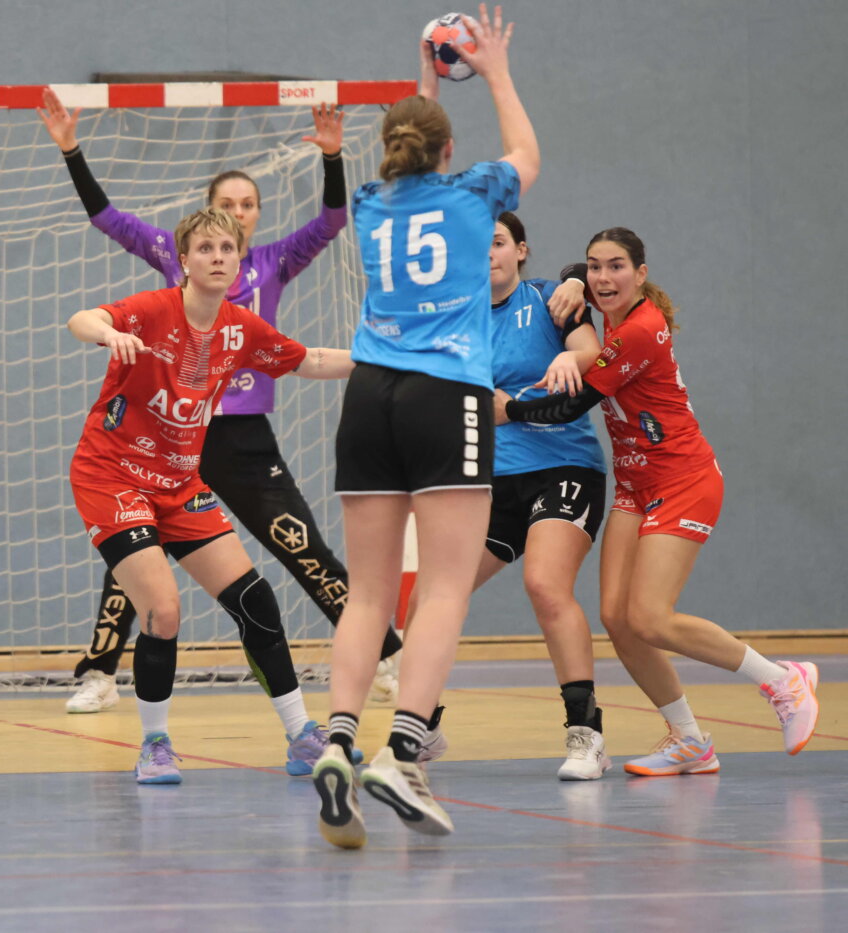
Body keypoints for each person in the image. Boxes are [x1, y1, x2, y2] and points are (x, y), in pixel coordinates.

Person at [38, 89, 404, 718]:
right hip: (162, 437)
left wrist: (333, 158)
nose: (234, 219)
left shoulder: (271, 263)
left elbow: (329, 230)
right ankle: (100, 672)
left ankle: (382, 654)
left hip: (240, 435)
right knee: (137, 558)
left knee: (296, 544)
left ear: (252, 223)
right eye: (224, 208)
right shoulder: (172, 260)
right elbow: (108, 220)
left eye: (246, 206)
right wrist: (71, 149)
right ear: (192, 240)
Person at [312, 4, 539, 847]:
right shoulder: (478, 195)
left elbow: (410, 139)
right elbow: (526, 153)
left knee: (368, 592)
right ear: (449, 152)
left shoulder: (370, 202)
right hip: (447, 397)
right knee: (443, 586)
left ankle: (337, 740)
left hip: (369, 396)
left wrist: (424, 77)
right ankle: (402, 752)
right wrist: (497, 71)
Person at [499, 226, 820, 776]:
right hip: (634, 484)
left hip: (683, 478)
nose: (604, 277)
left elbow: (570, 408)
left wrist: (508, 409)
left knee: (649, 616)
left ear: (641, 274)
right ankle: (690, 739)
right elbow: (577, 284)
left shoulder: (640, 330)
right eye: (595, 266)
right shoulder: (606, 306)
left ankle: (782, 679)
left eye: (616, 266)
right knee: (617, 618)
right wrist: (574, 281)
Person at [68, 207, 356, 784]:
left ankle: (302, 735)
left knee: (256, 601)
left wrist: (395, 361)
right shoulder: (153, 309)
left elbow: (311, 360)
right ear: (184, 260)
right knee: (163, 611)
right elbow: (84, 318)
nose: (218, 257)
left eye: (227, 248)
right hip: (113, 476)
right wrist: (109, 333)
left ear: (240, 260)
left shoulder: (241, 327)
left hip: (179, 484)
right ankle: (154, 745)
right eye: (205, 249)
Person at [395, 212, 611, 781]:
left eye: (496, 242)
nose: (486, 253)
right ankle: (422, 724)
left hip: (562, 467)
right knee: (430, 597)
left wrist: (568, 353)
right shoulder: (454, 321)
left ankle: (586, 733)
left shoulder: (551, 300)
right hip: (490, 484)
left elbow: (592, 355)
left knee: (545, 583)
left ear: (520, 250)